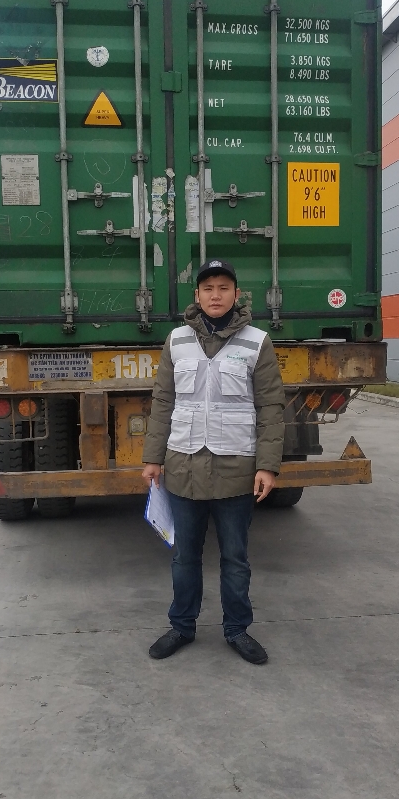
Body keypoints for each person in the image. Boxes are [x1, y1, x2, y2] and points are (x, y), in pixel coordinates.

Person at [142, 259, 285, 665]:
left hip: (235, 470)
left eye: (223, 288)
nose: (216, 295)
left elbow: (271, 407)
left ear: (236, 295)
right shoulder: (176, 340)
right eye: (208, 288)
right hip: (183, 468)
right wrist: (153, 458)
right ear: (198, 295)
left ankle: (237, 629)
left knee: (235, 559)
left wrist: (267, 465)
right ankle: (182, 627)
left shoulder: (257, 342)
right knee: (184, 557)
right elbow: (163, 402)